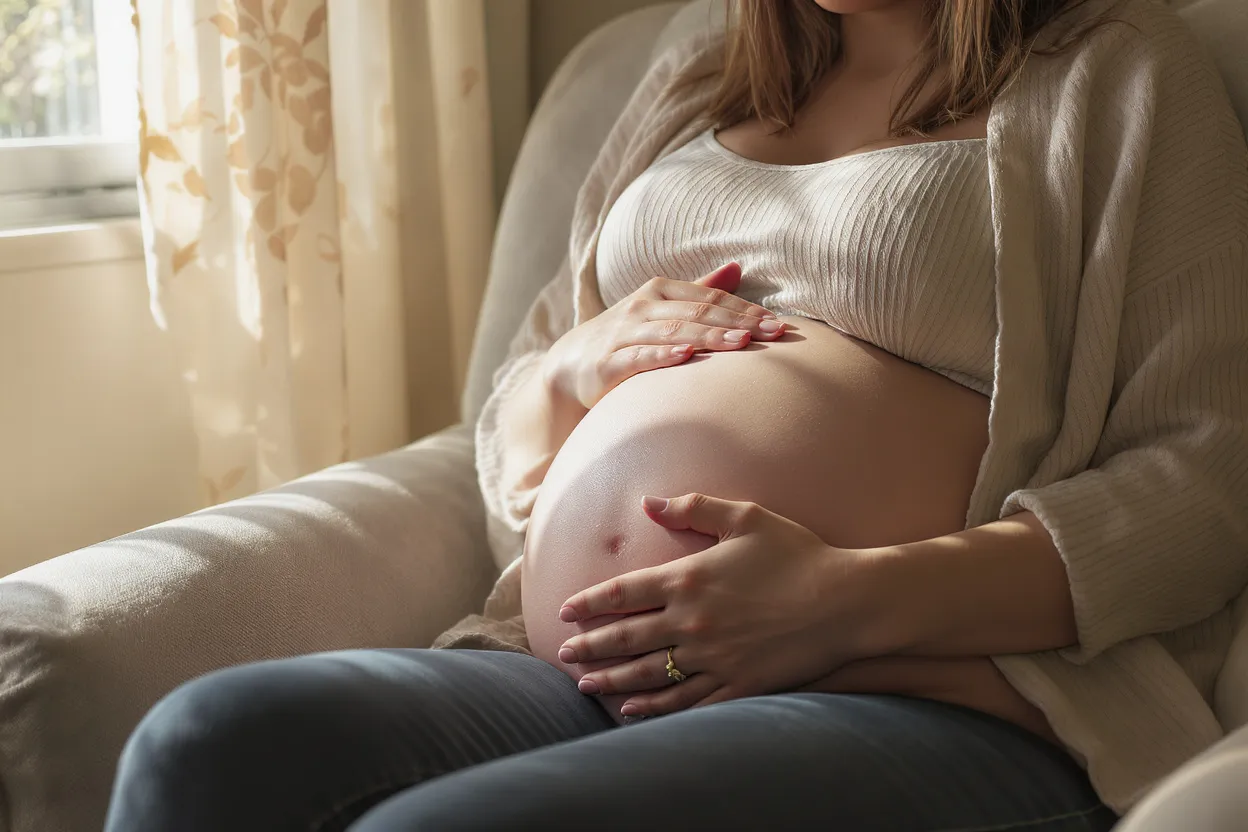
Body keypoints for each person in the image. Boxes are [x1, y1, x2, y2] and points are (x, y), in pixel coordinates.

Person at [105, 0, 1248, 829]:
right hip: (579, 670)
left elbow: (1204, 482)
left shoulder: (1117, 71)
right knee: (204, 744)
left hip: (928, 682)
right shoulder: (698, 74)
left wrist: (841, 603)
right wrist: (569, 373)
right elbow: (516, 399)